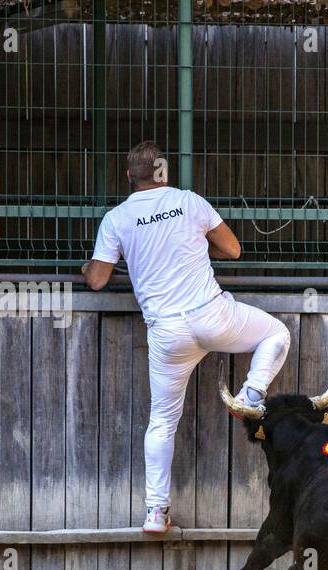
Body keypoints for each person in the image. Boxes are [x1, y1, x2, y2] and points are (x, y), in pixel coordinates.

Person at [82, 141, 291, 533]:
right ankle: (250, 395)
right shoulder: (190, 202)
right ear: (164, 172)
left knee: (162, 421)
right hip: (213, 316)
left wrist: (86, 266)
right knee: (276, 333)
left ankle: (156, 512)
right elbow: (233, 250)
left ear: (129, 176)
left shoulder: (117, 218)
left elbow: (97, 280)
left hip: (167, 332)